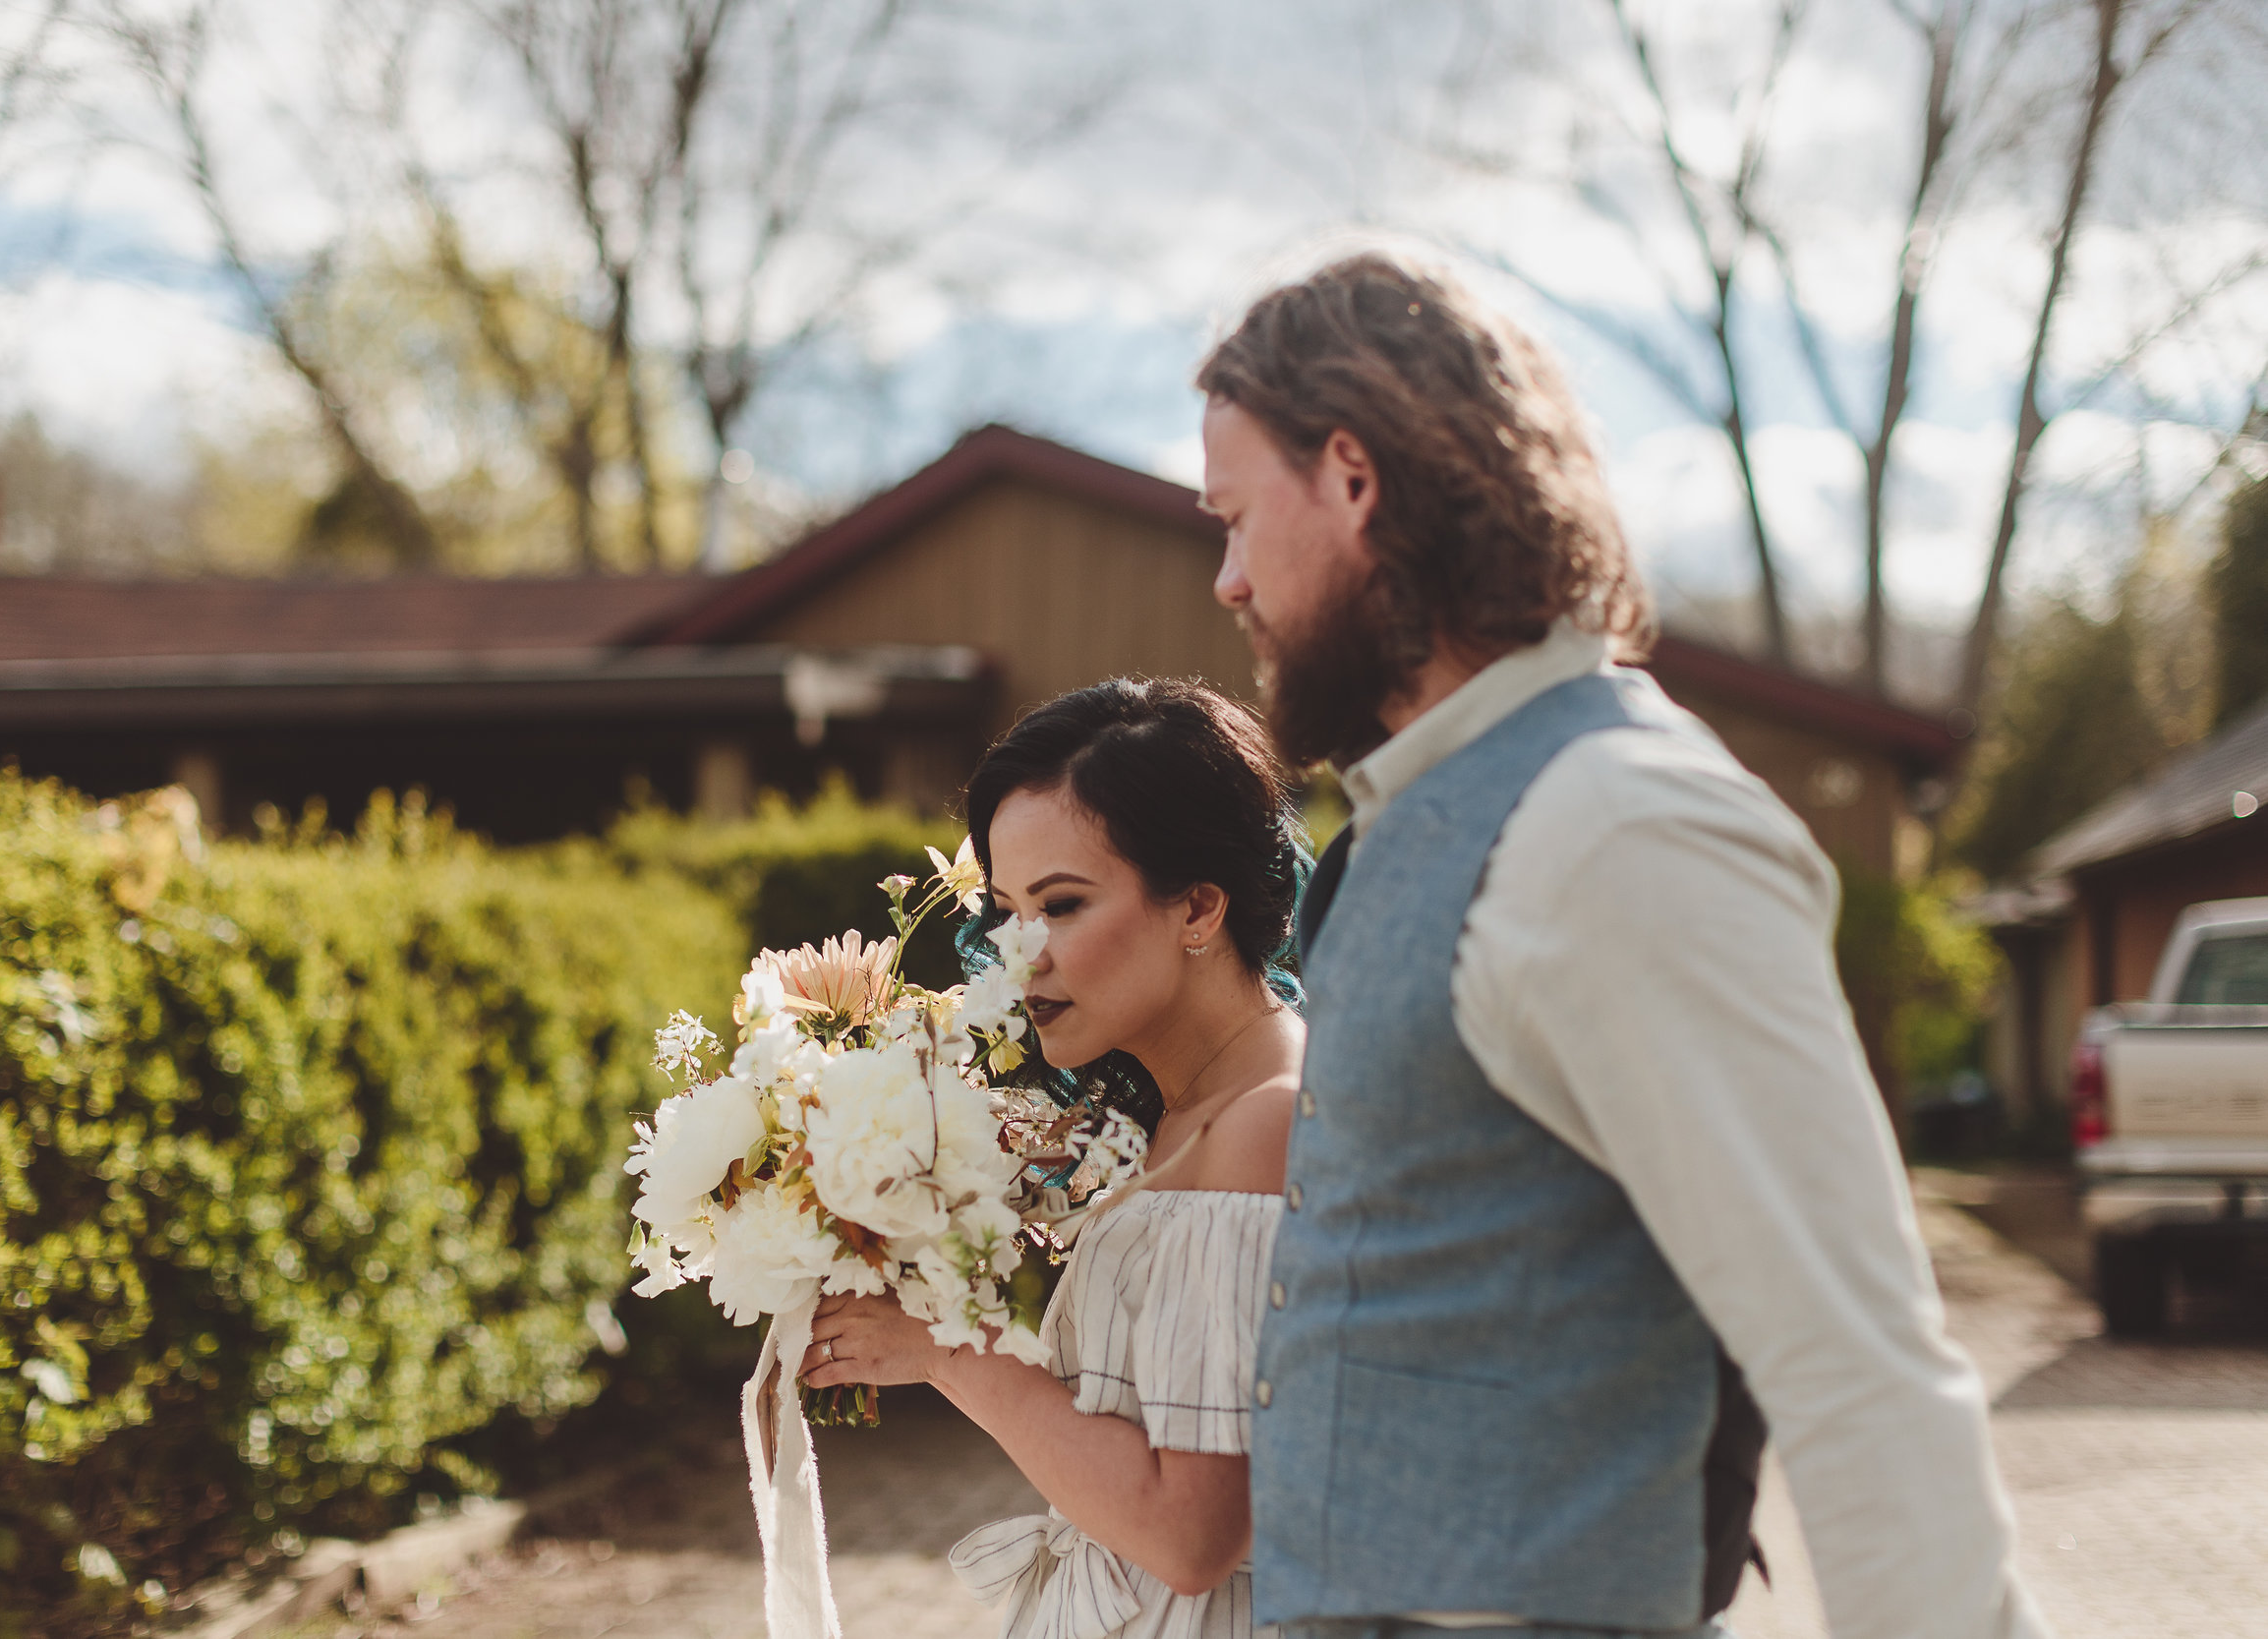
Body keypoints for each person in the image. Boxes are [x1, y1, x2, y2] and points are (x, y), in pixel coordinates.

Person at [1196, 251, 2049, 1639]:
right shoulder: (1410, 818)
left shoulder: (1617, 820)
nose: (1227, 582)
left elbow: (1856, 1359)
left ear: (1354, 478)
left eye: (1234, 518)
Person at [801, 676, 1306, 1639]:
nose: (1016, 953)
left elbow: (1191, 1532)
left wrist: (946, 1349)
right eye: (1002, 909)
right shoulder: (1173, 1115)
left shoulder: (1263, 1120)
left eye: (1062, 904)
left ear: (1199, 905)